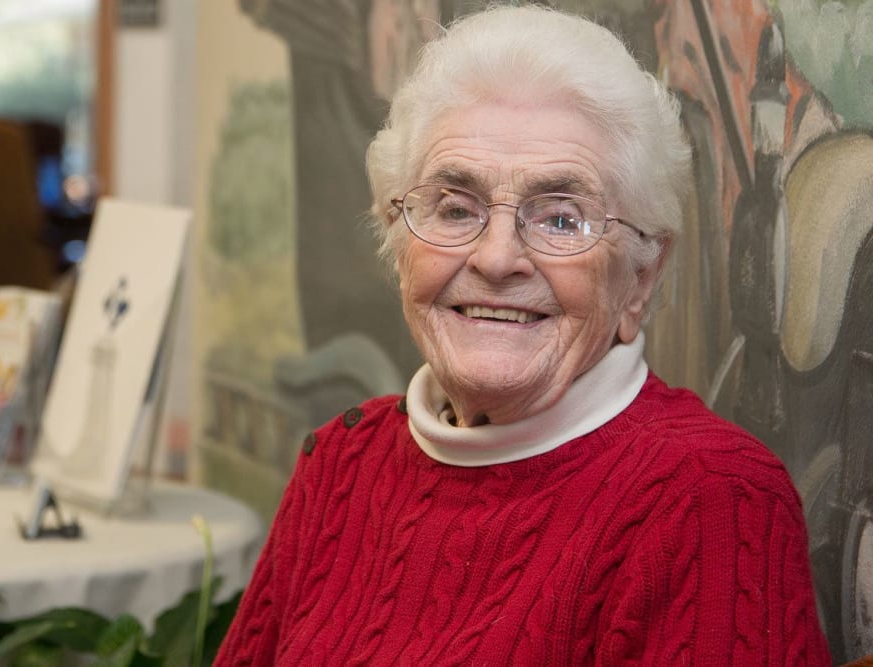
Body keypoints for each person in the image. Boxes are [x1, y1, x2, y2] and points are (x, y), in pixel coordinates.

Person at [215, 5, 831, 665]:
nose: (496, 258)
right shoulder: (342, 461)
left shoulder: (711, 501)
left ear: (641, 277)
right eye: (455, 207)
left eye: (561, 218)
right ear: (399, 244)